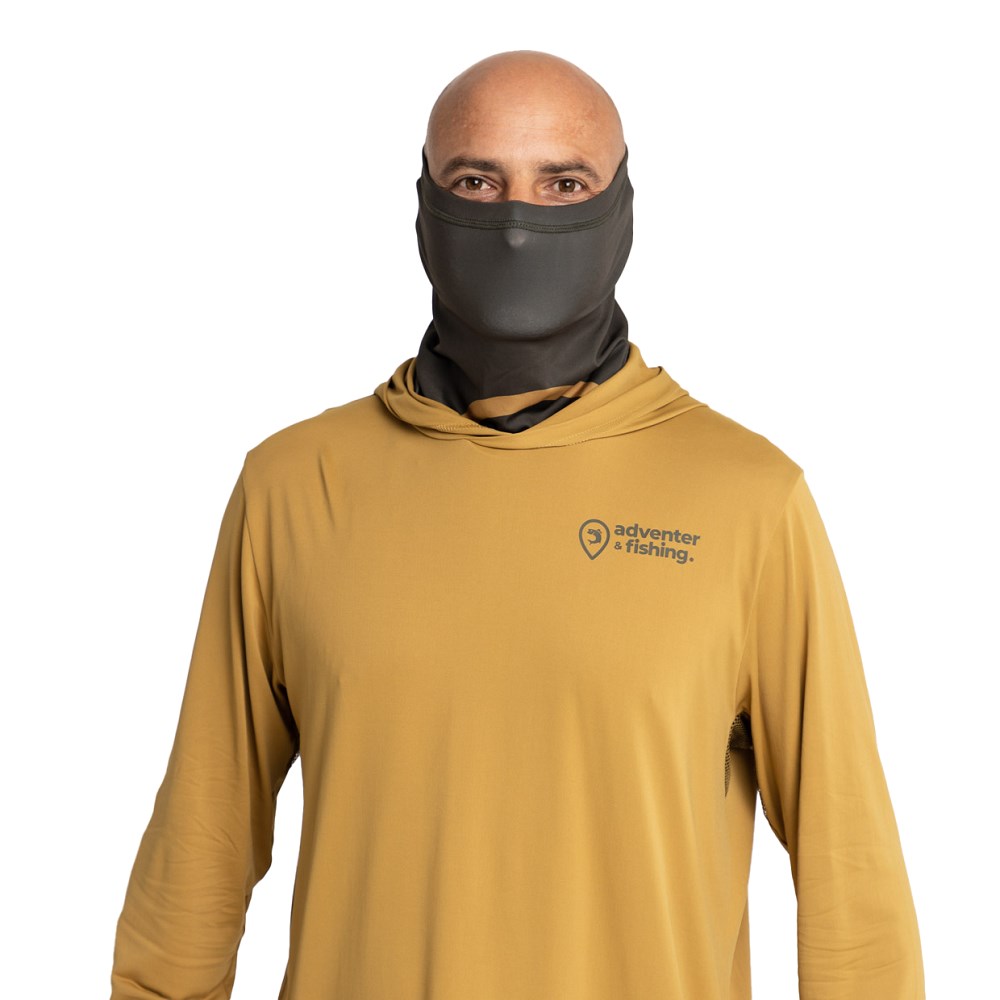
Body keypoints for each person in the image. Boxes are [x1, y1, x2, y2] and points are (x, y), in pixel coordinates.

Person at [109, 50, 925, 1000]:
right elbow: (202, 839)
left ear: (621, 207)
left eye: (563, 183)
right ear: (425, 205)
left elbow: (848, 867)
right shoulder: (293, 488)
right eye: (477, 181)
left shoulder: (748, 500)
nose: (517, 222)